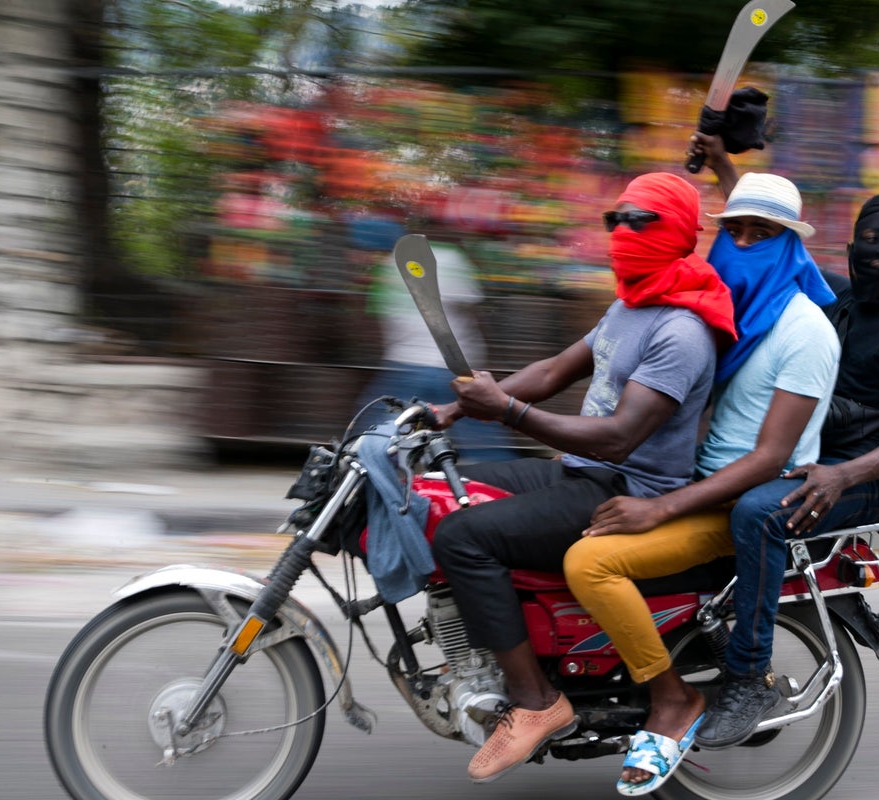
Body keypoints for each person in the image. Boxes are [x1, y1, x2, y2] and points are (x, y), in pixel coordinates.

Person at [429, 171, 737, 784]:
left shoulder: (682, 330)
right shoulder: (631, 303)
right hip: (577, 471)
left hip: (621, 489)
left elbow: (621, 437)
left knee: (464, 537)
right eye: (614, 219)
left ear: (675, 232)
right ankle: (481, 649)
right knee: (438, 490)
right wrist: (454, 410)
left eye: (638, 220)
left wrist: (507, 411)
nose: (622, 230)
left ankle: (536, 701)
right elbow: (552, 371)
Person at [566, 157, 840, 795]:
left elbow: (769, 458)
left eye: (761, 234)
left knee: (591, 565)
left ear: (791, 243)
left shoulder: (805, 331)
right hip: (690, 482)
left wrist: (659, 509)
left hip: (734, 502)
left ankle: (672, 701)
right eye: (734, 231)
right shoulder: (734, 310)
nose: (742, 245)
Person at [688, 135, 879, 750]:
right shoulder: (836, 303)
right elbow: (767, 236)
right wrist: (726, 167)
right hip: (800, 458)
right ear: (852, 246)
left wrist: (840, 476)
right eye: (872, 240)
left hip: (866, 481)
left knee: (759, 512)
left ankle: (749, 676)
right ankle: (701, 633)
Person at [354, 232, 515, 461]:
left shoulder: (391, 264)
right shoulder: (451, 257)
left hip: (406, 365)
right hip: (454, 366)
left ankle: (368, 481)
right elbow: (474, 312)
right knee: (481, 438)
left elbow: (375, 325)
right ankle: (508, 483)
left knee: (375, 432)